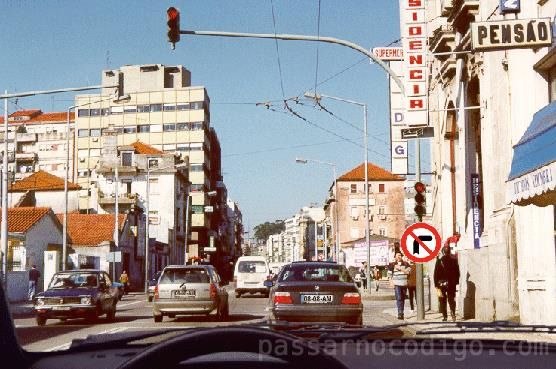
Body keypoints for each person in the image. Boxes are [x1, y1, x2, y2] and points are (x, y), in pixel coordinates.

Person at [434, 245, 460, 322]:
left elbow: (436, 274)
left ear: (443, 252)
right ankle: (453, 313)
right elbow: (457, 273)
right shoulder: (454, 260)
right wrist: (456, 282)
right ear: (449, 252)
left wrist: (436, 284)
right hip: (451, 284)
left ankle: (445, 316)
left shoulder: (439, 261)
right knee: (451, 299)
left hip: (441, 284)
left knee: (442, 300)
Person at [388, 252, 410, 319]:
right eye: (397, 256)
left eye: (400, 255)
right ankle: (400, 313)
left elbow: (408, 272)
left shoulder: (406, 264)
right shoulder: (392, 264)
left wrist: (400, 269)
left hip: (404, 283)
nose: (398, 257)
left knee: (402, 298)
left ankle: (402, 312)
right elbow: (389, 275)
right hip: (397, 284)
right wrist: (391, 282)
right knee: (399, 298)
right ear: (395, 257)